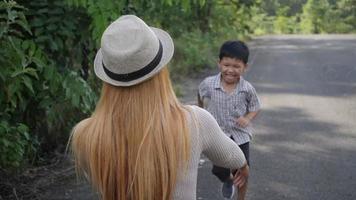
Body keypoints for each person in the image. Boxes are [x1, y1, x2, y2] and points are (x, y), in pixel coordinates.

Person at [68, 15, 249, 200]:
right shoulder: (196, 121)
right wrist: (243, 168)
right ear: (161, 70)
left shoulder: (85, 134)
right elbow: (234, 158)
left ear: (108, 77)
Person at [198, 40, 261, 200]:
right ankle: (227, 180)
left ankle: (241, 198)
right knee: (219, 169)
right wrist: (202, 113)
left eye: (236, 66)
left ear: (245, 67)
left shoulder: (247, 89)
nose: (230, 70)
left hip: (240, 136)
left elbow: (255, 107)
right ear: (219, 63)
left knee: (243, 171)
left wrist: (247, 118)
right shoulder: (209, 84)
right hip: (218, 135)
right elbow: (200, 96)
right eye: (226, 65)